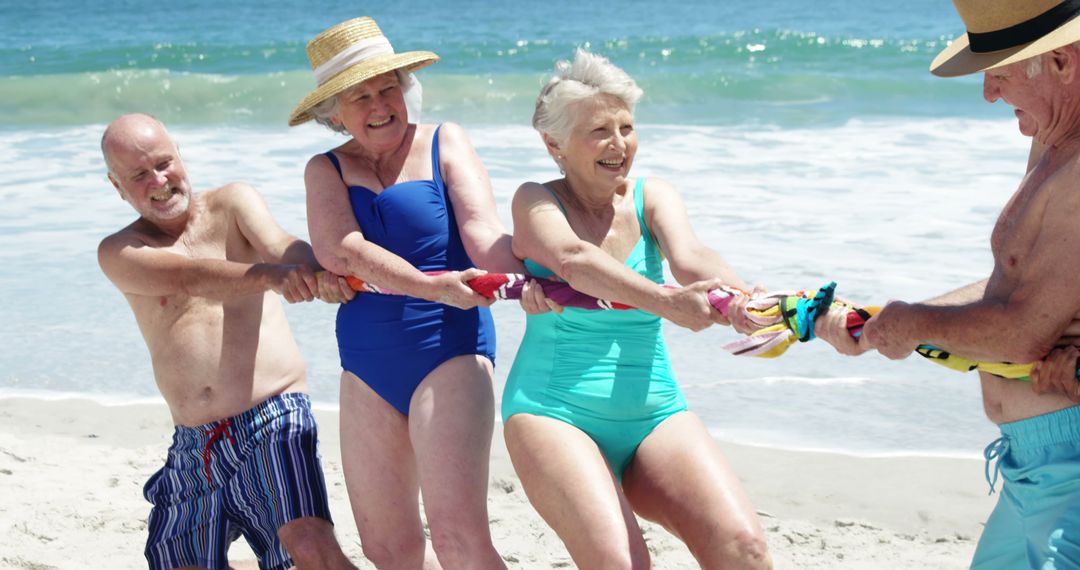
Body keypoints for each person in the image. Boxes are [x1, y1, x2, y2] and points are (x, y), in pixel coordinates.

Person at [501, 48, 854, 569]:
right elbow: (574, 261)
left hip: (653, 411)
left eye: (626, 126)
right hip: (554, 412)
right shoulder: (535, 200)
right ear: (554, 144)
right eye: (599, 130)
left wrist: (739, 300)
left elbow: (692, 258)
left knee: (744, 548)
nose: (618, 143)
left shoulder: (652, 195)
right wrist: (667, 303)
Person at [289, 17, 537, 570]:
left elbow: (481, 232)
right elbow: (340, 250)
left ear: (405, 88)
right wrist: (428, 286)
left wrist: (537, 275)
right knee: (389, 550)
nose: (380, 105)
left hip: (448, 347)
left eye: (387, 88)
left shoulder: (445, 140)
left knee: (458, 541)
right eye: (360, 97)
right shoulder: (325, 168)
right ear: (334, 113)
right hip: (366, 363)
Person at [862, 2, 1080, 567]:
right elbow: (1025, 288)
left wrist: (913, 322)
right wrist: (888, 322)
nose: (988, 93)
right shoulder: (1056, 142)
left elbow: (1022, 333)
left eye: (1000, 73)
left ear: (1060, 61)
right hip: (1031, 461)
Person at [97, 113, 357, 570]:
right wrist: (274, 278)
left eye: (164, 163)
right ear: (117, 186)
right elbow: (190, 276)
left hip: (272, 416)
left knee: (310, 545)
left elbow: (281, 245)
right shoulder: (119, 252)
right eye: (139, 175)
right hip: (194, 444)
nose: (159, 180)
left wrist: (314, 270)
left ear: (180, 153)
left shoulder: (233, 203)